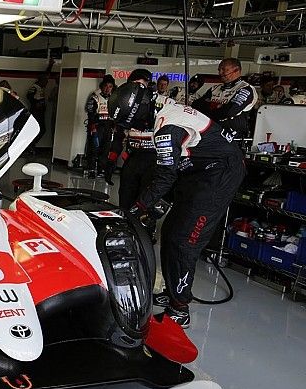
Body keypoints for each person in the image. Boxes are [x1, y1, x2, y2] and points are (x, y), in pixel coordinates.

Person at [110, 82, 245, 328]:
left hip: (220, 175)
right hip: (202, 170)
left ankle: (180, 308)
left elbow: (165, 177)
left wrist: (136, 209)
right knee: (171, 231)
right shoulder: (163, 107)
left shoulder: (166, 127)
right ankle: (173, 290)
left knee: (185, 241)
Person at [103, 69, 174, 214]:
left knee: (145, 205)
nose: (137, 88)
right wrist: (111, 161)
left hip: (155, 159)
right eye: (134, 84)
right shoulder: (124, 100)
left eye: (142, 84)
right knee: (125, 201)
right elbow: (119, 134)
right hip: (133, 157)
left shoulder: (166, 103)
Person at [191, 57, 258, 143]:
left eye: (224, 69)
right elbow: (196, 106)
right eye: (219, 70)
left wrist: (210, 107)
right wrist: (218, 106)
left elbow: (230, 111)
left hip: (233, 138)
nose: (220, 73)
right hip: (210, 133)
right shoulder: (215, 88)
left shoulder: (246, 89)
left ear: (236, 70)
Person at [84, 75, 115, 175]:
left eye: (110, 86)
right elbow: (90, 113)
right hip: (96, 126)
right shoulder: (95, 97)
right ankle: (91, 169)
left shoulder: (114, 99)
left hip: (108, 127)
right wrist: (92, 127)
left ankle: (101, 169)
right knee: (94, 148)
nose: (107, 89)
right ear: (102, 86)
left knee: (106, 149)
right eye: (106, 86)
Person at [26, 63, 54, 150]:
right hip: (35, 111)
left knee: (42, 129)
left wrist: (51, 65)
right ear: (41, 80)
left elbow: (47, 74)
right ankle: (30, 145)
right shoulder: (35, 87)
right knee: (39, 129)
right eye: (45, 81)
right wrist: (36, 104)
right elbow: (29, 96)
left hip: (41, 111)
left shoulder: (41, 87)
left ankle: (32, 144)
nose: (47, 82)